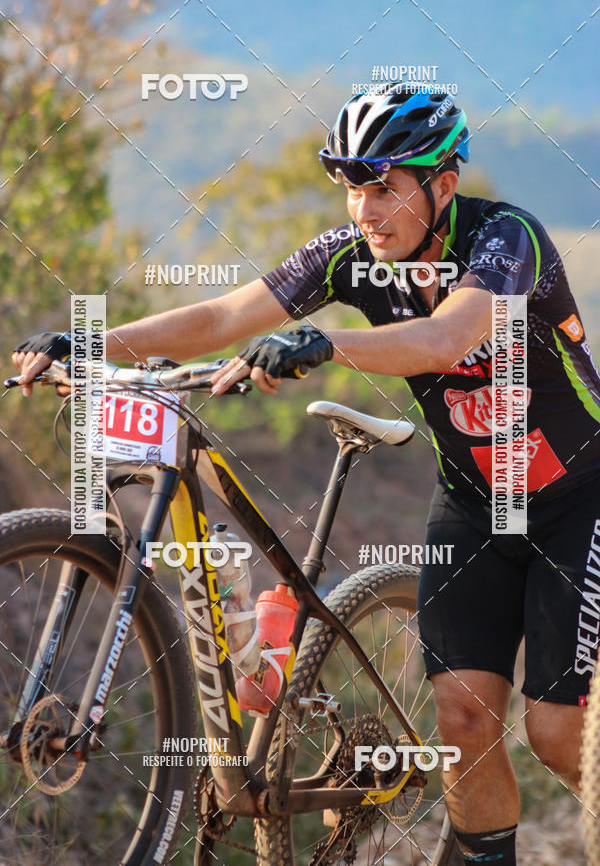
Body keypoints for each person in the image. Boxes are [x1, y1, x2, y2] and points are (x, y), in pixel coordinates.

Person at [12, 87, 600, 864]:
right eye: (352, 188)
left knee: (557, 733)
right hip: (472, 500)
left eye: (384, 188)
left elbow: (446, 339)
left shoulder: (504, 238)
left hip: (576, 496)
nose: (365, 210)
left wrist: (325, 343)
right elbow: (221, 319)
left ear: (444, 185)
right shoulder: (349, 256)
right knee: (462, 721)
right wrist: (89, 340)